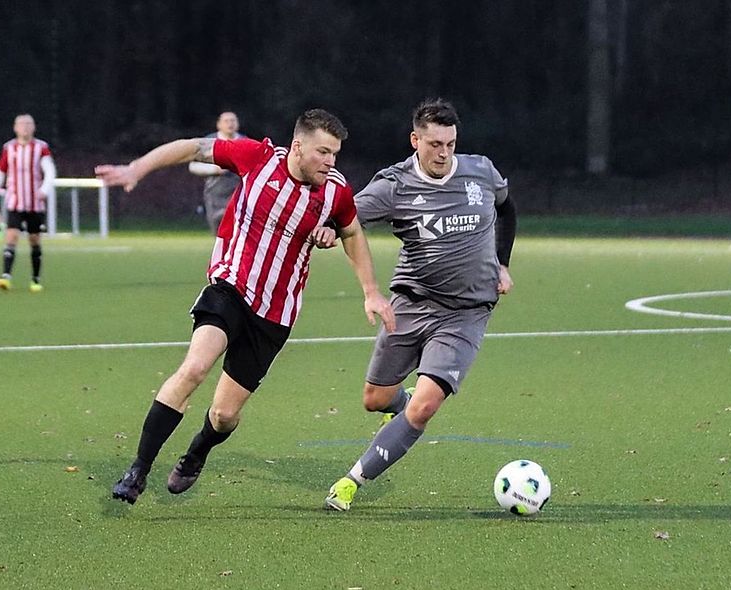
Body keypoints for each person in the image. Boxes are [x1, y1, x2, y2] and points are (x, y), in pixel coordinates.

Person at [94, 108, 396, 505]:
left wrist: (370, 290)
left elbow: (352, 231)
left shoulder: (335, 191)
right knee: (195, 367)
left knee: (223, 416)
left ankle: (197, 452)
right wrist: (137, 168)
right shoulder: (257, 157)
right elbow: (191, 148)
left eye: (335, 154)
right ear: (298, 145)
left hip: (275, 314)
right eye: (323, 152)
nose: (330, 161)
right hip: (230, 288)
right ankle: (138, 470)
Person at [324, 98, 519, 511]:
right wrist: (326, 227)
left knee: (425, 406)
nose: (443, 153)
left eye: (449, 143)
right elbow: (347, 216)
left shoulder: (480, 172)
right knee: (375, 400)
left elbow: (507, 209)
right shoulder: (395, 185)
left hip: (467, 312)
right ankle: (402, 400)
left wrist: (502, 263)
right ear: (415, 140)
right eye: (434, 144)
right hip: (411, 304)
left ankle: (351, 481)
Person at [0, 114, 56, 293]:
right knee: (11, 236)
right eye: (21, 124)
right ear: (15, 128)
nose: (25, 127)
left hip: (35, 203)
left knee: (34, 240)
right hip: (15, 201)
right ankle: (6, 277)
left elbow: (50, 171)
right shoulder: (8, 148)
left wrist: (44, 189)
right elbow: (1, 172)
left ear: (34, 128)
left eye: (28, 124)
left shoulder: (41, 148)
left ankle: (35, 279)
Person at [188, 111, 244, 236]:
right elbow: (193, 166)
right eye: (226, 121)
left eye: (233, 121)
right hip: (215, 194)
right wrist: (214, 169)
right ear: (219, 124)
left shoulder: (244, 142)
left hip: (240, 194)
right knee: (219, 232)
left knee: (239, 231)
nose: (230, 124)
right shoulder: (209, 142)